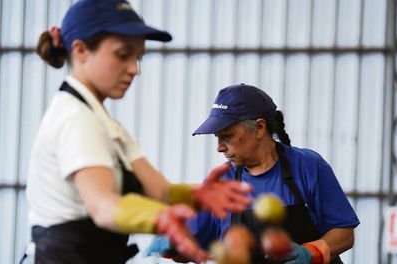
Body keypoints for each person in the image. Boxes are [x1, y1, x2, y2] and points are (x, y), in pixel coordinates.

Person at [23, 1, 251, 263]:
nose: (135, 69)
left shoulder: (105, 123)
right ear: (81, 50)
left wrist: (197, 195)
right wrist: (161, 218)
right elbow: (103, 206)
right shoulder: (74, 118)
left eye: (138, 57)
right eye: (123, 55)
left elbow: (161, 191)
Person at [146, 83, 360, 264]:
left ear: (259, 128)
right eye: (217, 138)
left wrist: (312, 253)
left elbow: (344, 234)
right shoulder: (221, 183)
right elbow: (196, 246)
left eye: (227, 136)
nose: (219, 147)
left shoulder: (308, 166)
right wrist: (173, 244)